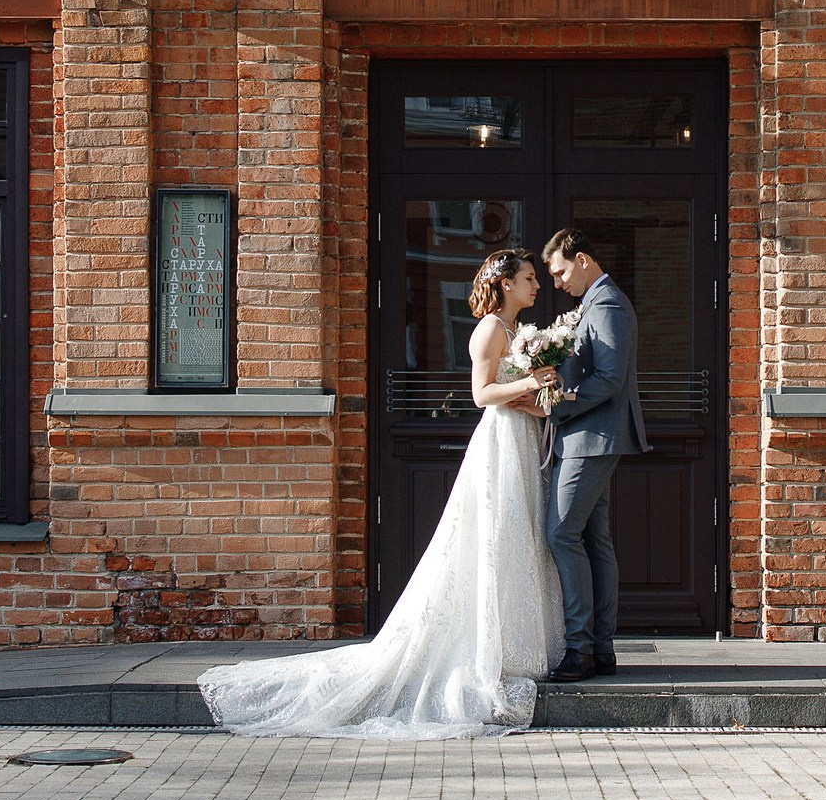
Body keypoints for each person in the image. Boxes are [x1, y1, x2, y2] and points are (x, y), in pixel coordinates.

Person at [197, 248, 564, 737]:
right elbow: (481, 395)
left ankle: (516, 647)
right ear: (505, 283)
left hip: (520, 437)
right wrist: (530, 382)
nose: (536, 285)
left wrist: (546, 400)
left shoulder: (519, 333)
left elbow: (513, 396)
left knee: (519, 535)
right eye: (529, 277)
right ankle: (484, 649)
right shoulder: (491, 329)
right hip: (498, 443)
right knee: (495, 533)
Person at [540, 229, 649, 683]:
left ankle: (580, 648)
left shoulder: (607, 305)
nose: (557, 282)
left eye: (560, 272)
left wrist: (556, 405)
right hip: (588, 438)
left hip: (593, 439)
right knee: (592, 540)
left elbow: (609, 378)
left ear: (582, 259)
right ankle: (600, 649)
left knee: (561, 534)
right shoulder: (593, 303)